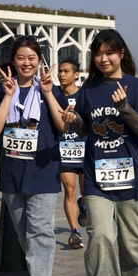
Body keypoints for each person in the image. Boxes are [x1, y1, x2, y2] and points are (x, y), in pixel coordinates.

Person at [62, 29, 138, 276]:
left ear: (121, 54)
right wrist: (73, 120)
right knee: (100, 237)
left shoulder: (136, 87)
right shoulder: (88, 89)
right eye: (98, 53)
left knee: (131, 244)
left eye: (109, 53)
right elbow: (84, 130)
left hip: (132, 178)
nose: (103, 59)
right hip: (97, 178)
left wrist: (124, 107)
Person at [0, 35, 68, 276]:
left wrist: (48, 93)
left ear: (39, 60)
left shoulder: (50, 89)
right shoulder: (1, 91)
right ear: (13, 60)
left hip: (43, 171)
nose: (26, 63)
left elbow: (63, 126)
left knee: (40, 230)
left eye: (32, 58)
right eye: (21, 57)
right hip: (12, 173)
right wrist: (8, 96)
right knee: (24, 233)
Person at [57, 58, 87, 249]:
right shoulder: (54, 95)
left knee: (86, 192)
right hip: (64, 150)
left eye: (66, 71)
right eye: (60, 71)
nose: (61, 74)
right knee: (69, 189)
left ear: (76, 75)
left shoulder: (85, 95)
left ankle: (83, 205)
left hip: (85, 150)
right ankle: (75, 232)